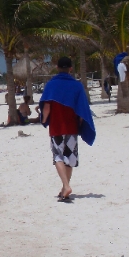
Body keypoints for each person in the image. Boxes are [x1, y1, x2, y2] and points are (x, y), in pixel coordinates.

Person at [39, 57, 96, 202]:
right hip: (71, 127)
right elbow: (82, 109)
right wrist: (81, 124)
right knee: (70, 157)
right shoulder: (76, 86)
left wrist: (44, 120)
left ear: (57, 67)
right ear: (71, 68)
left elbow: (47, 107)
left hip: (57, 126)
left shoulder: (51, 85)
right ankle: (65, 188)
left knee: (58, 156)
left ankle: (66, 185)